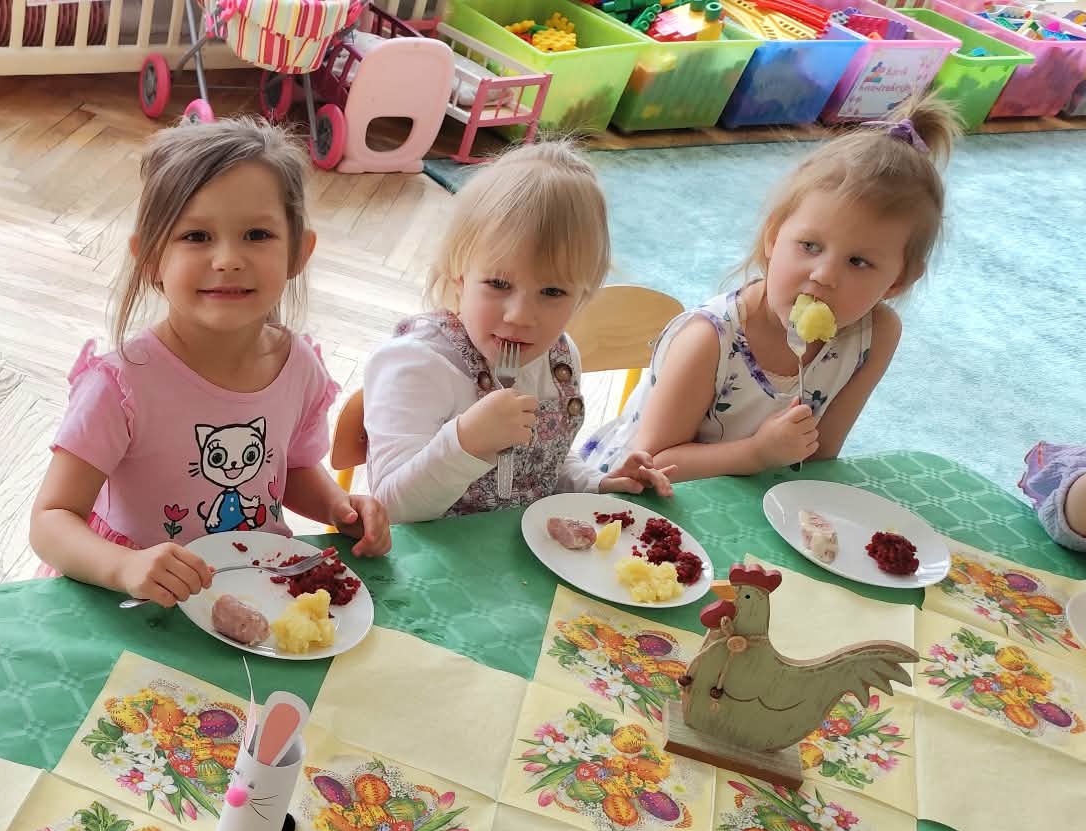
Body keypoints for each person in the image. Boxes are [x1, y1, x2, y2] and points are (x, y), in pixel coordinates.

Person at [30, 119, 388, 608]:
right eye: (197, 236)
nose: (227, 259)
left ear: (299, 252)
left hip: (250, 584)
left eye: (257, 234)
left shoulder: (300, 367)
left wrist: (338, 507)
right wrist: (125, 567)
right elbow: (51, 519)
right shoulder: (122, 385)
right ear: (150, 258)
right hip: (135, 600)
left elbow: (293, 468)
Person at [582, 97, 959, 481]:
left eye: (858, 262)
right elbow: (653, 462)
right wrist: (757, 453)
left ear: (897, 281)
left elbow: (821, 457)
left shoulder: (874, 336)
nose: (824, 275)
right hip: (628, 493)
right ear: (773, 237)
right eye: (810, 246)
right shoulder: (709, 340)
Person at [360, 141, 670, 522]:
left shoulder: (559, 360)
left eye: (552, 292)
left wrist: (597, 484)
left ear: (583, 296)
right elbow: (389, 508)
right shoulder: (417, 365)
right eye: (498, 284)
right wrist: (465, 443)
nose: (521, 315)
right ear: (459, 276)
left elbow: (546, 464)